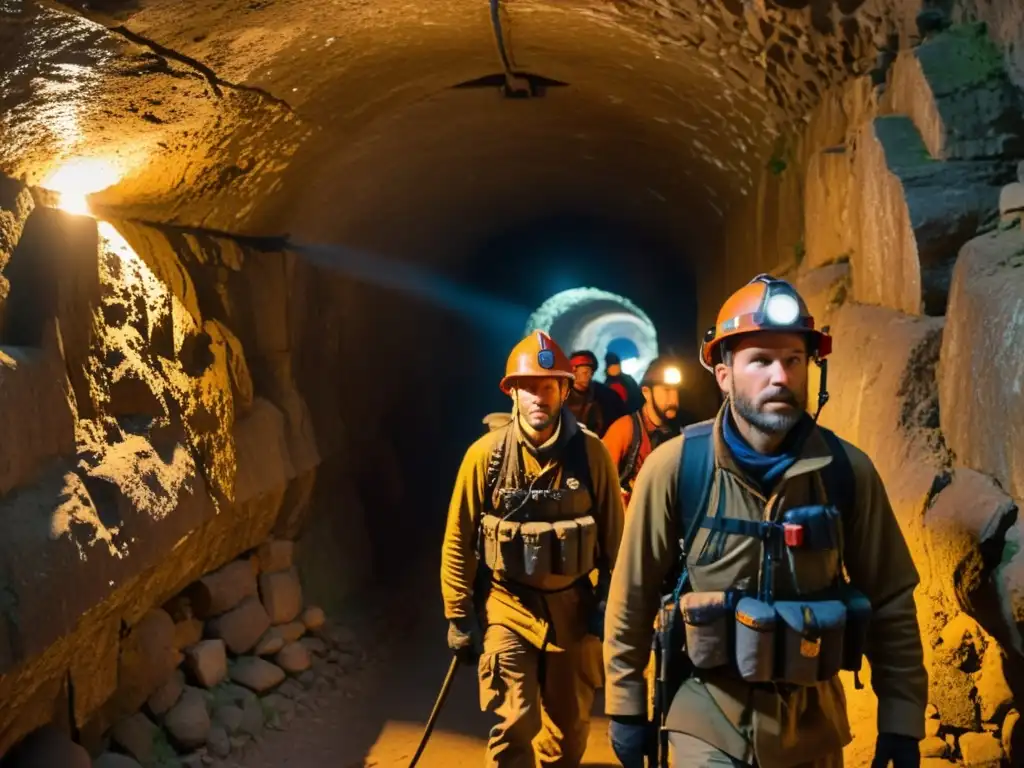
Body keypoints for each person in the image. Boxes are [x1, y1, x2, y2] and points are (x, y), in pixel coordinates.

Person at [603, 274, 927, 768]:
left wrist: (901, 720)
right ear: (724, 374)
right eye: (761, 360)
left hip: (812, 731)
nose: (781, 376)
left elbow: (891, 600)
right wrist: (625, 707)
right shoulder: (675, 469)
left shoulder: (847, 473)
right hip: (705, 721)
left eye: (794, 360)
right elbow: (632, 596)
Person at [441, 329, 626, 768]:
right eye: (530, 388)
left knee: (568, 735)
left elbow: (615, 542)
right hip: (508, 605)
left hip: (573, 610)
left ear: (564, 390)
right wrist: (458, 615)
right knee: (514, 723)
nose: (540, 397)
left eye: (549, 387)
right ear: (513, 394)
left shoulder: (592, 455)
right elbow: (458, 538)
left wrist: (609, 606)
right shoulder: (484, 457)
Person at [601, 356, 688, 507]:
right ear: (647, 393)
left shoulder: (679, 433)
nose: (673, 399)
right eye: (666, 390)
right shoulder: (624, 429)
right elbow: (600, 483)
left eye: (676, 391)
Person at [566, 349, 627, 438]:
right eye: (585, 372)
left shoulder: (607, 396)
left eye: (591, 372)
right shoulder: (561, 397)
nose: (589, 375)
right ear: (573, 371)